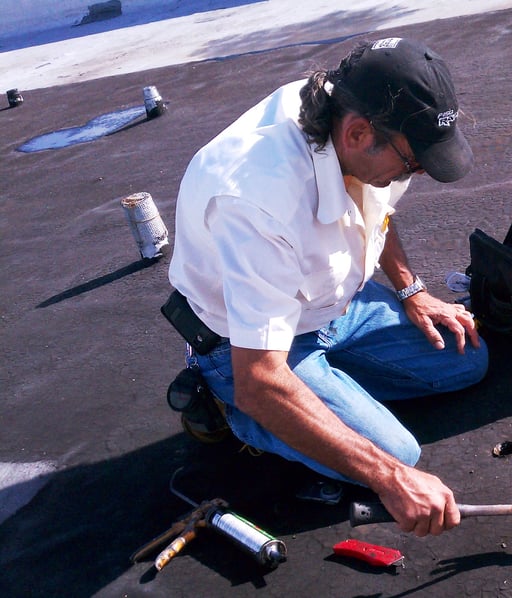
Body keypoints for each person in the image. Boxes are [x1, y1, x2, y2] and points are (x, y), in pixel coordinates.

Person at [167, 37, 488, 538]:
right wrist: (390, 477)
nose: (420, 172)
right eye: (413, 163)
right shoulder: (255, 200)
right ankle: (234, 408)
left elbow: (378, 206)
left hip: (331, 302)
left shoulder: (354, 116)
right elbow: (260, 377)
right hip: (246, 348)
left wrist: (412, 291)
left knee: (466, 358)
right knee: (396, 453)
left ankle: (320, 388)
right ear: (358, 133)